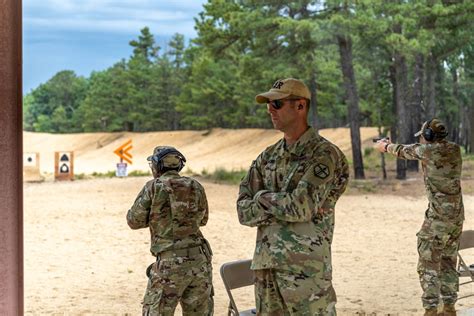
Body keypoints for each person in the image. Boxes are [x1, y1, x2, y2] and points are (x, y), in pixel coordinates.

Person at [237, 78, 349, 315]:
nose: (269, 109)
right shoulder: (267, 157)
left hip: (306, 274)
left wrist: (262, 198)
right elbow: (243, 212)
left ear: (300, 106)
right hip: (266, 271)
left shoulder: (324, 155)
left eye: (276, 103)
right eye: (268, 104)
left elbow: (302, 207)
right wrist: (280, 203)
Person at [375, 119, 464, 316]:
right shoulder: (455, 150)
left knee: (428, 263)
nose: (422, 138)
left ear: (430, 136)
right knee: (449, 261)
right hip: (456, 217)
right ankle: (449, 306)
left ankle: (431, 309)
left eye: (424, 135)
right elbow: (417, 148)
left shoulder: (428, 151)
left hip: (438, 218)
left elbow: (405, 150)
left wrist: (385, 146)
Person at [127, 146, 213, 316]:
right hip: (200, 262)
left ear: (157, 166)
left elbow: (133, 221)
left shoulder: (153, 187)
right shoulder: (196, 186)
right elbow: (203, 220)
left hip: (169, 264)